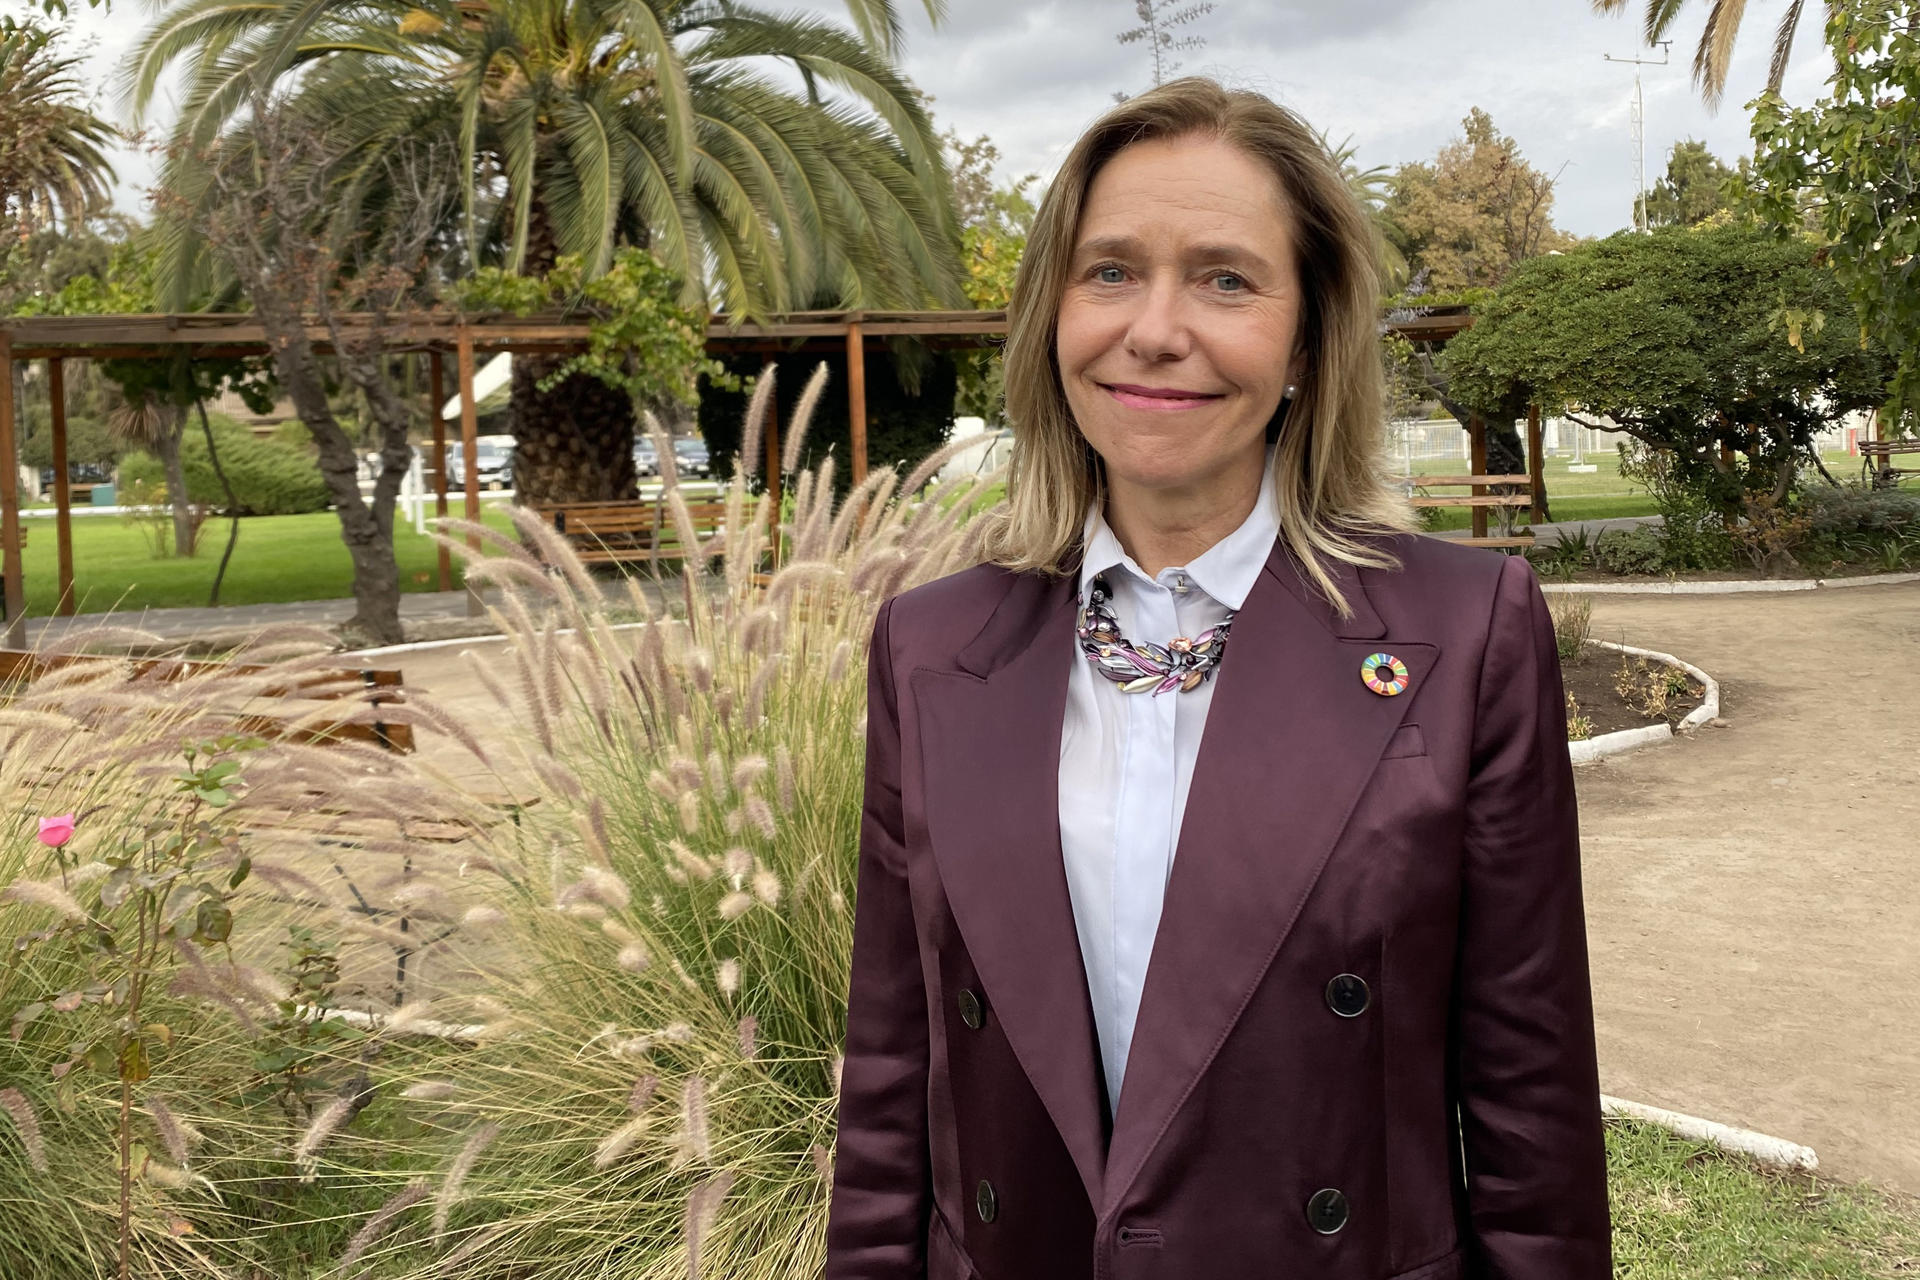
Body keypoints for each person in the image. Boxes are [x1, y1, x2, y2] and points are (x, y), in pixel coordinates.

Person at [825, 77, 1610, 1280]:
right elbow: (890, 1089)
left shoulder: (1467, 633)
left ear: (1307, 339)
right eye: (1111, 271)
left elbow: (1531, 1113)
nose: (1154, 328)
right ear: (1052, 314)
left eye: (1226, 278)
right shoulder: (932, 651)